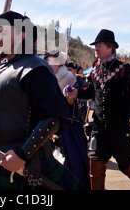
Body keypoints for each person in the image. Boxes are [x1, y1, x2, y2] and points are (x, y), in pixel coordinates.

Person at [0, 10, 85, 190]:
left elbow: (54, 116)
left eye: (2, 30)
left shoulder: (36, 68)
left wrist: (23, 154)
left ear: (22, 35)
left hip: (18, 162)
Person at [66, 29, 130, 190]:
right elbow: (90, 90)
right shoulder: (96, 70)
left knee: (127, 167)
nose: (95, 49)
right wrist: (75, 92)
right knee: (95, 170)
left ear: (110, 47)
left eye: (99, 46)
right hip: (98, 129)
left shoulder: (124, 69)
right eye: (95, 46)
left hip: (119, 128)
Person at [44, 51, 90, 190]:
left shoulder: (69, 78)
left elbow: (71, 102)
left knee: (73, 165)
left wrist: (69, 96)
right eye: (46, 61)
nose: (48, 64)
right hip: (45, 126)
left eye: (51, 61)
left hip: (66, 128)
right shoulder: (44, 79)